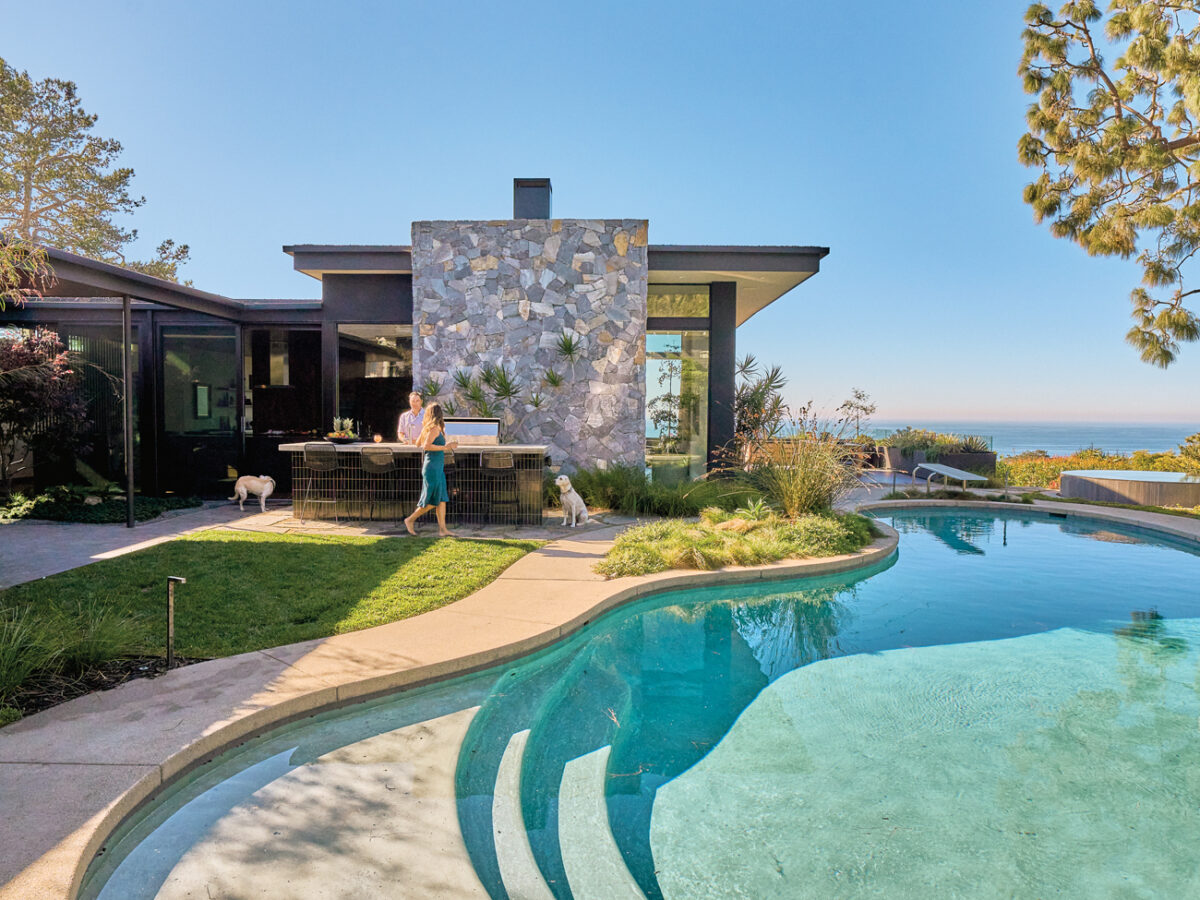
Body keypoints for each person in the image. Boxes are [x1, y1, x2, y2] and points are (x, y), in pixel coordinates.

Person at [403, 402, 458, 537]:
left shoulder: (429, 428)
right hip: (432, 468)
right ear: (439, 414)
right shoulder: (433, 429)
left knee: (441, 499)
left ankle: (443, 530)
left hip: (436, 467)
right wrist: (446, 447)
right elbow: (426, 446)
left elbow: (417, 444)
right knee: (432, 500)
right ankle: (410, 520)